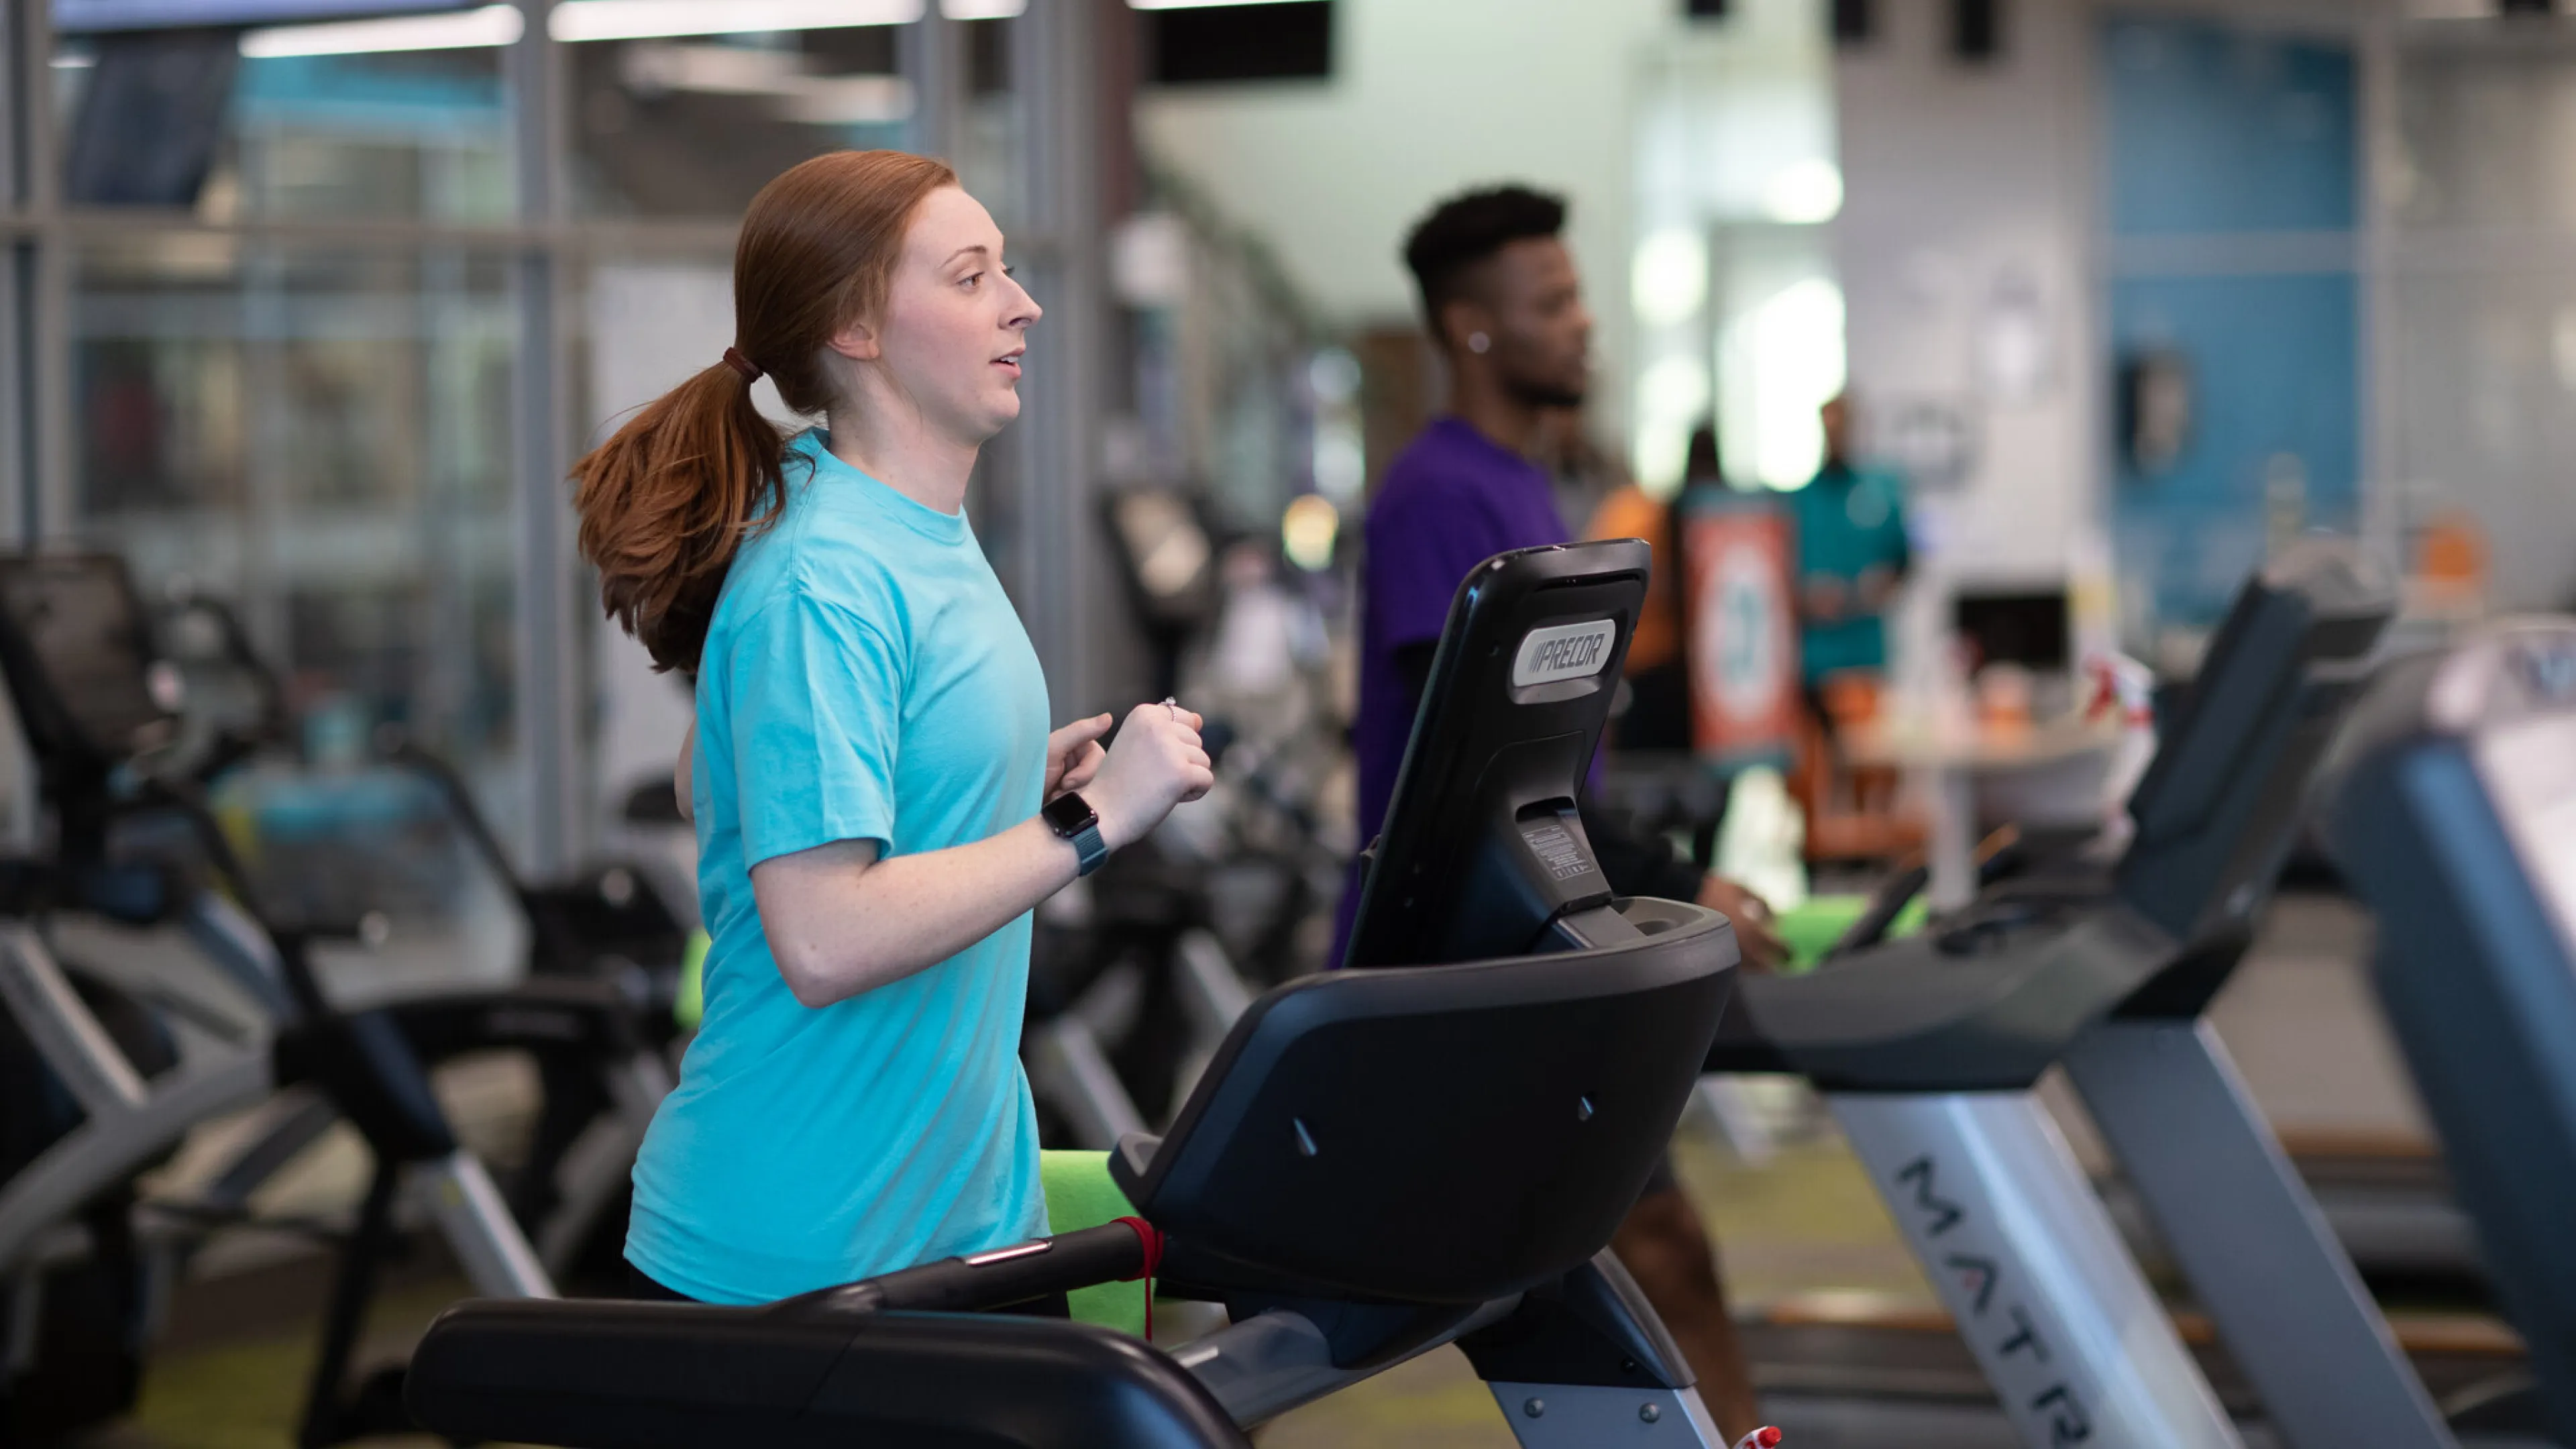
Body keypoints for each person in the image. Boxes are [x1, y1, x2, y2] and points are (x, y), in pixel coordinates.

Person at [578, 150, 1214, 1307]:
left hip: (948, 1225)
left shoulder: (895, 522)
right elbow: (821, 941)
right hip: (805, 1253)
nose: (1020, 304)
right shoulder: (823, 569)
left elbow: (705, 772)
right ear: (857, 329)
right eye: (971, 277)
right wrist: (1088, 820)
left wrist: (984, 790)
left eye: (1008, 272)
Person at [1342, 184, 1773, 1440]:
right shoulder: (1437, 496)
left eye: (1578, 296)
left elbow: (1552, 767)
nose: (1584, 326)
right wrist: (1650, 875)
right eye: (1554, 303)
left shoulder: (1530, 492)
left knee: (1656, 1254)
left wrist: (1641, 869)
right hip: (1454, 963)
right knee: (1633, 1256)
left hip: (1540, 932)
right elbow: (1473, 763)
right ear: (1474, 330)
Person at [1791, 393, 1911, 716]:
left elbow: (1905, 560)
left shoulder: (1881, 492)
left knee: (1870, 758)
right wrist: (1804, 598)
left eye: (1841, 427)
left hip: (1865, 655)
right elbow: (1775, 578)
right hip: (1814, 659)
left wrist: (1885, 584)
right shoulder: (1796, 503)